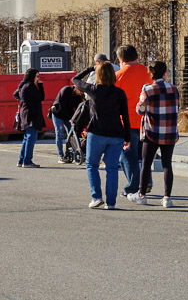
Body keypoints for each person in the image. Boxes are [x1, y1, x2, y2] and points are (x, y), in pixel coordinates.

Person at [72, 62, 131, 208]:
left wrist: (90, 69)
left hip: (97, 132)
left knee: (92, 165)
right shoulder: (120, 93)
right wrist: (127, 137)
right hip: (116, 134)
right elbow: (125, 116)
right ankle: (111, 203)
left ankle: (96, 197)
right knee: (112, 168)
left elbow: (75, 79)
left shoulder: (94, 90)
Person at [131, 61, 179, 207]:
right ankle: (167, 198)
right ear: (165, 73)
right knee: (167, 164)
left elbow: (140, 110)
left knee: (146, 163)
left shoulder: (148, 90)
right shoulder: (174, 89)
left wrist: (142, 96)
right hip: (170, 131)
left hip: (152, 131)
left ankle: (141, 194)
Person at [114, 45, 153, 195]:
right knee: (144, 156)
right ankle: (146, 182)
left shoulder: (119, 75)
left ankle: (134, 186)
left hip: (126, 122)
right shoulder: (148, 72)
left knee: (128, 156)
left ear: (121, 59)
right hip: (147, 120)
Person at [13, 69, 46, 168]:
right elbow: (41, 97)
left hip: (25, 113)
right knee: (31, 138)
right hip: (31, 115)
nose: (38, 79)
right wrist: (40, 86)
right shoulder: (30, 86)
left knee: (27, 138)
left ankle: (22, 160)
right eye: (37, 76)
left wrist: (23, 101)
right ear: (32, 77)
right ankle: (27, 161)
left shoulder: (23, 85)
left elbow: (15, 94)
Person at [48, 80, 85, 163]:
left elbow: (78, 109)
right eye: (80, 91)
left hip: (67, 115)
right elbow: (62, 106)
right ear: (76, 87)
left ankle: (73, 153)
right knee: (59, 133)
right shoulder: (66, 90)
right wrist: (71, 117)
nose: (80, 93)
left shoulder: (78, 96)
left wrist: (75, 119)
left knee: (71, 134)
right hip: (57, 113)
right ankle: (61, 156)